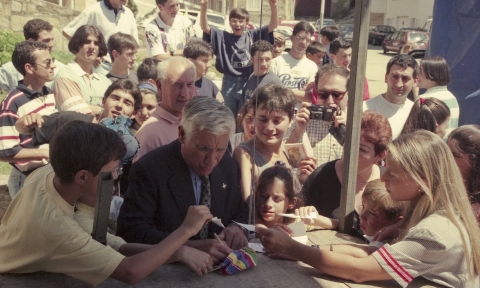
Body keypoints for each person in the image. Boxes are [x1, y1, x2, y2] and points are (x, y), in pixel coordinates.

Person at [0, 121, 214, 286]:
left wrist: (182, 249)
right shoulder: (58, 232)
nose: (115, 176)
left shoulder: (49, 173)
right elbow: (130, 272)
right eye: (111, 171)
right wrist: (185, 231)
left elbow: (109, 245)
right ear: (82, 177)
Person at [257, 130, 480, 287]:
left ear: (422, 181)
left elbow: (360, 270)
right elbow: (376, 254)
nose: (383, 177)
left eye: (391, 173)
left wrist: (294, 250)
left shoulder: (434, 232)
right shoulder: (440, 215)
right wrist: (307, 249)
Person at [117, 96, 250, 264]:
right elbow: (131, 232)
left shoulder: (229, 166)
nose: (212, 160)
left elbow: (240, 210)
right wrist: (189, 247)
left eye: (221, 149)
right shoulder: (150, 169)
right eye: (203, 148)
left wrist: (236, 228)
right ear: (181, 134)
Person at [301, 110, 392, 231]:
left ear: (380, 156)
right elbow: (299, 225)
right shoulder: (321, 177)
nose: (350, 151)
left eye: (361, 149)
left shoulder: (389, 182)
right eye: (348, 142)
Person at [233, 84, 315, 201]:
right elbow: (247, 204)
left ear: (291, 120)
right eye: (263, 119)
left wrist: (303, 179)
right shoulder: (244, 154)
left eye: (277, 121)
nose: (269, 127)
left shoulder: (286, 149)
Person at [0, 41, 58, 198]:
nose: (53, 65)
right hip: (26, 180)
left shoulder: (48, 92)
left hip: (48, 175)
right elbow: (5, 152)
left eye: (52, 60)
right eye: (47, 62)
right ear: (29, 68)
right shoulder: (13, 102)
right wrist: (46, 153)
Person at [200, 0, 277, 117]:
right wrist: (204, 6)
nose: (238, 24)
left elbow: (273, 26)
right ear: (229, 22)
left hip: (249, 81)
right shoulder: (223, 36)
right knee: (227, 116)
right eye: (234, 21)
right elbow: (205, 27)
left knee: (246, 116)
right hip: (229, 82)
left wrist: (273, 6)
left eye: (241, 21)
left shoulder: (252, 35)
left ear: (247, 23)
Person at [134, 56, 196, 160]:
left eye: (189, 85)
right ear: (159, 85)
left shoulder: (195, 120)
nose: (184, 93)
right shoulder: (150, 134)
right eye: (177, 85)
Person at [286, 64, 348, 167]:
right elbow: (288, 160)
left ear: (348, 94)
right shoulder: (304, 119)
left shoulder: (359, 122)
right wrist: (298, 131)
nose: (330, 100)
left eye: (337, 94)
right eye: (323, 94)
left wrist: (350, 132)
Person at [62, 0, 138, 75]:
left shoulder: (129, 14)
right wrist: (93, 54)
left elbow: (134, 43)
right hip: (102, 67)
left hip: (124, 70)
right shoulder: (94, 10)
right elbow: (69, 32)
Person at [53, 25, 112, 115]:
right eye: (87, 42)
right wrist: (105, 111)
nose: (92, 47)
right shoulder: (65, 77)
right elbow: (77, 112)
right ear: (77, 44)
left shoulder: (105, 81)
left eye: (96, 43)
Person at [0, 19, 65, 93]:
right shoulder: (9, 69)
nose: (51, 44)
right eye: (46, 40)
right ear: (31, 41)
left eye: (52, 40)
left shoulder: (61, 70)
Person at [363, 54, 418, 139]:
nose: (399, 84)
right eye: (395, 77)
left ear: (415, 81)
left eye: (405, 78)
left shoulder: (416, 112)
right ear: (386, 77)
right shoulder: (365, 108)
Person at [270, 21, 318, 103]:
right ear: (292, 38)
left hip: (301, 113)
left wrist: (281, 89)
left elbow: (310, 97)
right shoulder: (276, 63)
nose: (303, 43)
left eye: (307, 40)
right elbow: (271, 92)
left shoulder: (312, 66)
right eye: (300, 38)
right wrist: (300, 93)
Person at [417, 56, 459, 139]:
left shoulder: (425, 99)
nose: (417, 74)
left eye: (421, 71)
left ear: (432, 74)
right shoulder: (452, 97)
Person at [447, 125, 480, 223]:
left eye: (455, 155)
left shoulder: (476, 209)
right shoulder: (443, 185)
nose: (447, 159)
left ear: (475, 160)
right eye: (446, 153)